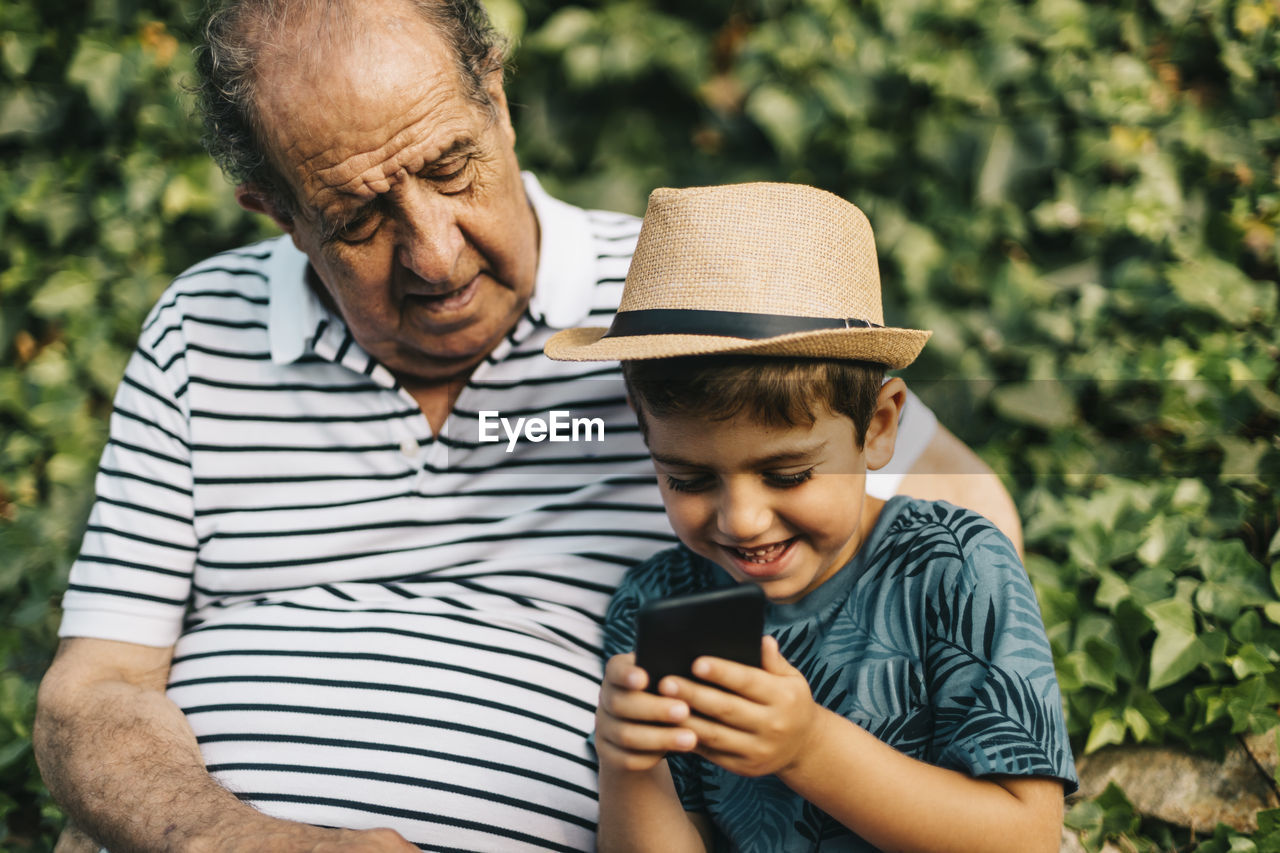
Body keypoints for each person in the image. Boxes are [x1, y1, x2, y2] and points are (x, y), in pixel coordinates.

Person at [33, 1, 1025, 850]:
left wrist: (839, 738)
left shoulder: (671, 303)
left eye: (450, 167)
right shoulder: (204, 326)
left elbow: (956, 496)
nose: (435, 256)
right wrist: (234, 839)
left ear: (496, 101)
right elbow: (93, 689)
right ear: (277, 211)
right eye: (357, 217)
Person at [545, 182, 1076, 852]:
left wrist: (807, 747)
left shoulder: (957, 565)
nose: (742, 518)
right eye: (688, 478)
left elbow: (1026, 836)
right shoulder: (659, 605)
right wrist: (630, 764)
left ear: (879, 428)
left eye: (788, 474)